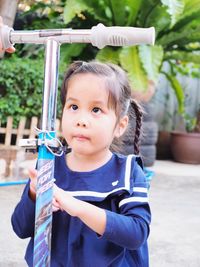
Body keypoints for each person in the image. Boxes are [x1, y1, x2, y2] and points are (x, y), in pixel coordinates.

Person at [11, 60, 151, 266]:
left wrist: (78, 207)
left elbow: (137, 233)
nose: (81, 120)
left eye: (96, 110)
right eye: (74, 106)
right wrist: (33, 195)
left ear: (120, 126)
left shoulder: (128, 172)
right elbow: (20, 228)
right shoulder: (50, 165)